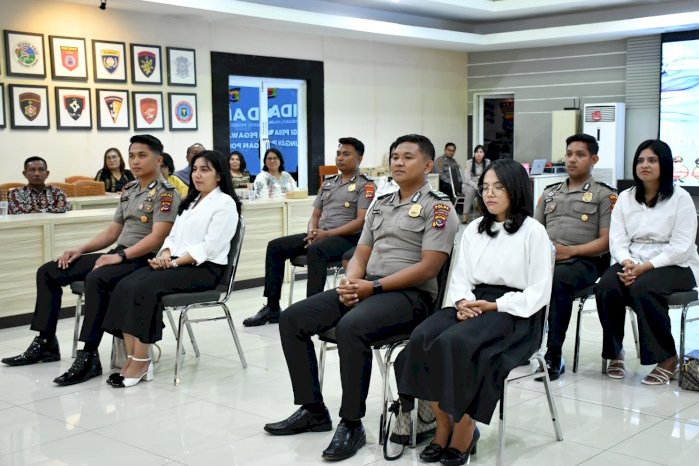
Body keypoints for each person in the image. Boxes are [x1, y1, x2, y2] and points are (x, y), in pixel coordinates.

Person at [263, 134, 458, 462]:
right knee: (292, 318)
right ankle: (312, 409)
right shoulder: (381, 204)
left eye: (407, 157)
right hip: (367, 288)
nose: (398, 162)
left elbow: (429, 268)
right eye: (394, 156)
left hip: (410, 298)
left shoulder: (438, 207)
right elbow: (361, 252)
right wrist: (352, 279)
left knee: (351, 327)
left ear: (427, 165)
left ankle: (351, 423)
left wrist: (374, 287)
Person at [396, 159, 552, 465]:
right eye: (485, 188)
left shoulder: (534, 232)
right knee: (422, 337)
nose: (490, 194)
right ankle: (442, 422)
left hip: (515, 311)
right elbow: (460, 277)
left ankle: (465, 426)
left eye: (499, 187)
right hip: (472, 301)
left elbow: (538, 292)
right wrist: (463, 302)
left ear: (516, 190)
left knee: (455, 343)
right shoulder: (474, 230)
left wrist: (495, 305)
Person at [1, 135, 179, 387]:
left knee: (96, 278)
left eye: (142, 155)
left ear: (158, 159)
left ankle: (88, 355)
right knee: (49, 271)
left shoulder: (166, 194)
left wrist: (118, 256)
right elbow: (112, 232)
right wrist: (79, 249)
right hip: (120, 253)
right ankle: (45, 343)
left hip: (142, 259)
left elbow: (157, 238)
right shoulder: (130, 190)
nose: (135, 161)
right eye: (132, 155)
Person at [102, 150, 240, 387]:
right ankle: (132, 358)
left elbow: (209, 247)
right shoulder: (191, 201)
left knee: (144, 288)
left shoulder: (225, 203)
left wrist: (173, 262)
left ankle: (142, 360)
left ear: (219, 176)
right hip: (175, 263)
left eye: (205, 170)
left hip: (204, 269)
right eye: (195, 169)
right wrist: (164, 254)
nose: (197, 175)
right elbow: (173, 236)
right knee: (124, 285)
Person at [596, 139, 699, 385]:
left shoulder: (681, 198)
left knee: (644, 287)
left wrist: (645, 268)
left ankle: (667, 357)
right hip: (632, 261)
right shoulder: (625, 197)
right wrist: (628, 262)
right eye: (640, 160)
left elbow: (681, 246)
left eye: (652, 160)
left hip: (677, 265)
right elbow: (617, 239)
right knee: (606, 286)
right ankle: (615, 352)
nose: (645, 165)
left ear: (664, 164)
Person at [243, 138, 373, 327]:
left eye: (346, 154)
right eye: (338, 154)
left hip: (347, 239)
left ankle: (313, 309)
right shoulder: (328, 183)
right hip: (321, 235)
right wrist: (311, 232)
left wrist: (325, 235)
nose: (340, 158)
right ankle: (271, 308)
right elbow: (315, 215)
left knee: (317, 250)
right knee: (275, 246)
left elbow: (361, 221)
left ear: (359, 158)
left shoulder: (366, 186)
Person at [533, 133, 616, 380]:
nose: (572, 159)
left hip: (586, 262)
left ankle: (554, 354)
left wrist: (571, 251)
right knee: (514, 275)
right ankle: (520, 345)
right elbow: (533, 233)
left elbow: (606, 241)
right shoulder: (549, 193)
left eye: (580, 155)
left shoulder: (605, 195)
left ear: (594, 159)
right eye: (569, 154)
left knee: (558, 280)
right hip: (548, 259)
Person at [460, 145, 490, 224]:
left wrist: (481, 185)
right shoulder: (469, 162)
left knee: (484, 190)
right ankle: (465, 215)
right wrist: (476, 186)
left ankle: (482, 214)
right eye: (476, 152)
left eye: (481, 152)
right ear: (474, 153)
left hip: (481, 185)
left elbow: (488, 175)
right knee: (471, 190)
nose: (478, 154)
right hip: (468, 185)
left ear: (484, 154)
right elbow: (467, 179)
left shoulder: (487, 162)